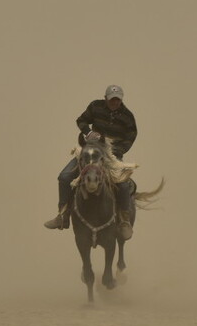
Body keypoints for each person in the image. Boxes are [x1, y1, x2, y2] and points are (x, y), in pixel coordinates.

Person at [44, 84, 138, 239]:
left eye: (118, 100)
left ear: (121, 100)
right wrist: (88, 132)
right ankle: (62, 215)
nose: (115, 103)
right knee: (65, 177)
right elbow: (81, 120)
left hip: (113, 154)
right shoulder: (95, 106)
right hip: (91, 149)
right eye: (112, 99)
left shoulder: (128, 116)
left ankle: (124, 221)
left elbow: (131, 136)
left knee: (122, 184)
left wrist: (117, 151)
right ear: (105, 98)